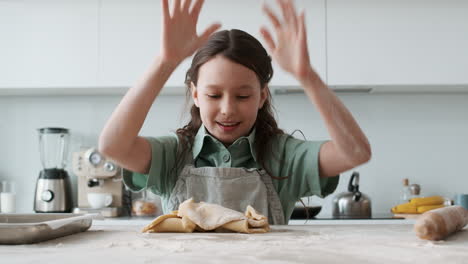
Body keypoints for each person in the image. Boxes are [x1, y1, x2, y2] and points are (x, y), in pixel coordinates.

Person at [99, 0, 371, 224]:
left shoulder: (285, 156)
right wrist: (164, 63)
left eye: (243, 96)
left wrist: (307, 76)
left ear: (262, 95)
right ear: (195, 94)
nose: (227, 110)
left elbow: (355, 152)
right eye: (213, 95)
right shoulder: (172, 154)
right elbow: (113, 146)